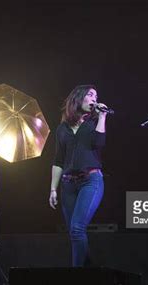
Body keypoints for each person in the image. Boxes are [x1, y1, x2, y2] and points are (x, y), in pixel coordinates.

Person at [49, 84, 110, 267]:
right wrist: (52, 188)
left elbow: (99, 143)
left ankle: (77, 281)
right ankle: (89, 274)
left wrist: (103, 116)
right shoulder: (62, 129)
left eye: (96, 96)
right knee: (75, 233)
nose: (94, 99)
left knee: (77, 229)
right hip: (68, 185)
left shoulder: (93, 123)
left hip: (91, 181)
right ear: (78, 97)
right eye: (90, 95)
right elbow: (58, 161)